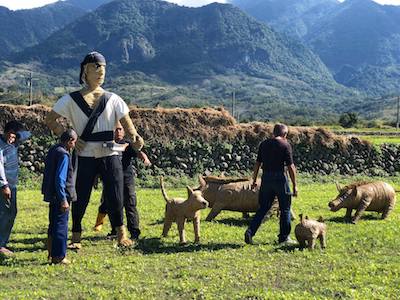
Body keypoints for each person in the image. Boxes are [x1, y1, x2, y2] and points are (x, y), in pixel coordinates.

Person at [45, 51, 144, 248]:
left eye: (103, 69)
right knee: (80, 195)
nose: (100, 73)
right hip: (84, 152)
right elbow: (50, 120)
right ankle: (76, 234)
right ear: (85, 72)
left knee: (116, 194)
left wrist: (135, 139)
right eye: (95, 68)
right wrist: (67, 136)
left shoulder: (114, 98)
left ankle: (120, 233)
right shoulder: (70, 99)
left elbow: (128, 123)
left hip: (110, 153)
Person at [94, 123, 151, 240]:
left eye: (120, 129)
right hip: (112, 180)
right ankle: (115, 230)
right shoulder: (106, 145)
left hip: (126, 180)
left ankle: (134, 232)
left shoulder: (128, 145)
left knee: (130, 204)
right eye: (115, 130)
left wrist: (145, 158)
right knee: (113, 205)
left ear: (124, 132)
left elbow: (139, 151)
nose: (118, 132)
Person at [244, 123, 298, 245]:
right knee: (285, 209)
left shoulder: (264, 144)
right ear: (284, 134)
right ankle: (284, 238)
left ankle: (250, 231)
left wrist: (253, 180)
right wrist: (295, 185)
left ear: (273, 133)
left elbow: (257, 164)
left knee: (263, 208)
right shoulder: (285, 145)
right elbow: (291, 167)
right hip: (280, 178)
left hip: (266, 178)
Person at [42, 129, 77, 264]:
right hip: (61, 196)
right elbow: (60, 178)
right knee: (61, 226)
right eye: (74, 142)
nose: (74, 145)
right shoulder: (64, 155)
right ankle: (59, 256)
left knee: (53, 224)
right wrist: (63, 199)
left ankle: (51, 252)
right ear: (69, 141)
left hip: (52, 194)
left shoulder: (53, 150)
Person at [0, 121, 31, 256]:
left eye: (14, 136)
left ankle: (3, 241)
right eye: (10, 136)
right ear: (5, 132)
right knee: (5, 213)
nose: (12, 139)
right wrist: (4, 185)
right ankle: (1, 244)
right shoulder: (1, 145)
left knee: (11, 212)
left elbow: (27, 134)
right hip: (4, 187)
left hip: (12, 186)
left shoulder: (14, 143)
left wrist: (16, 134)